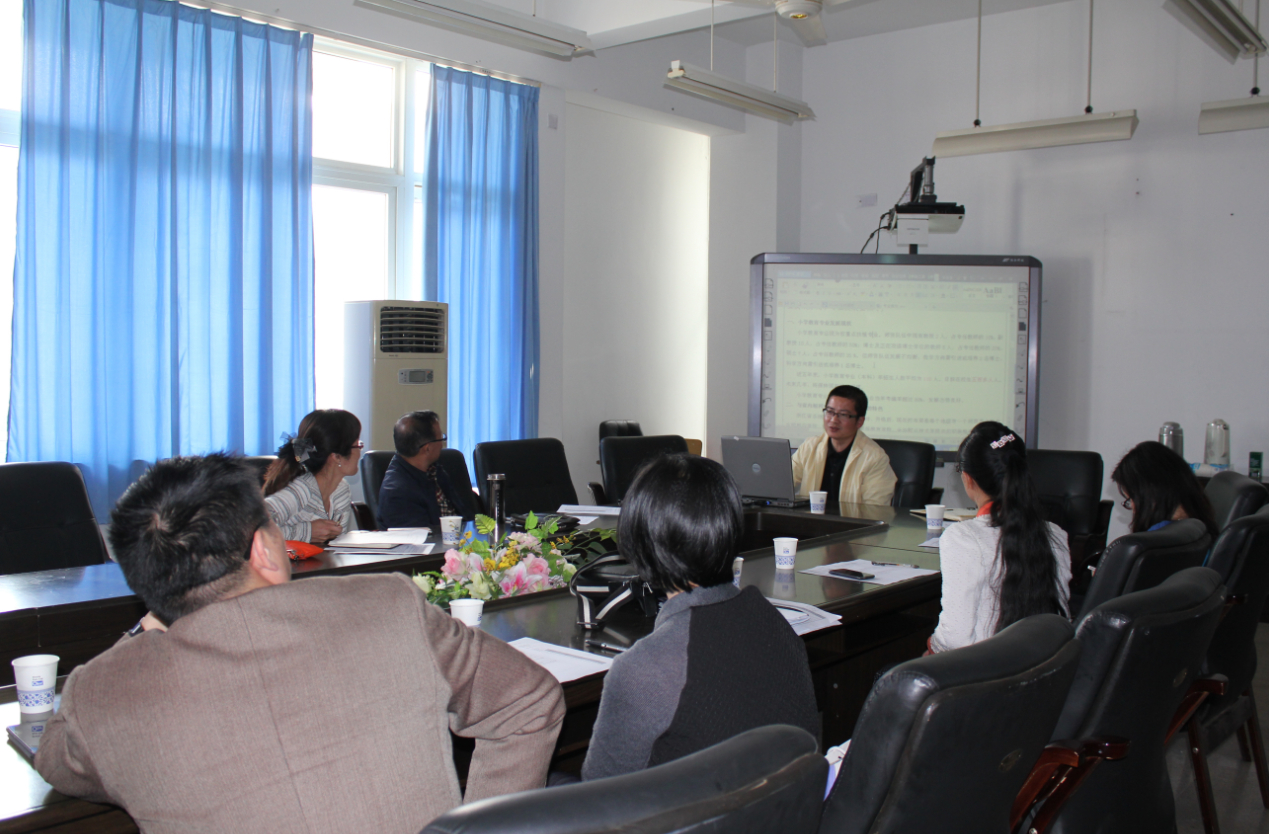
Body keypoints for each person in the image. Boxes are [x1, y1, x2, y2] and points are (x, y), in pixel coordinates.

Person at [34, 454, 565, 834]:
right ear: (265, 549)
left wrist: (145, 627)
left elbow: (56, 761)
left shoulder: (102, 691)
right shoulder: (387, 606)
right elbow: (527, 700)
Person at [581, 454, 819, 781]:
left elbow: (599, 798)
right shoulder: (775, 624)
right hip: (781, 806)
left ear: (641, 541)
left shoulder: (645, 668)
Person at [928, 422, 1071, 653]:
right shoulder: (1055, 533)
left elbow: (954, 639)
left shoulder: (963, 538)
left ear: (967, 478)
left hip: (984, 670)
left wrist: (931, 645)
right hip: (1046, 665)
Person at [264, 408, 361, 545]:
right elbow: (252, 528)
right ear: (336, 457)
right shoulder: (301, 489)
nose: (360, 452)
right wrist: (307, 532)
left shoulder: (341, 490)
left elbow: (336, 546)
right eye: (357, 445)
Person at [791, 385, 897, 507]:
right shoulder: (809, 447)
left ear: (860, 421)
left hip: (853, 520)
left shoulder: (875, 458)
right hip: (810, 518)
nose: (833, 420)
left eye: (843, 414)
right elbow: (783, 484)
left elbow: (875, 509)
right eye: (830, 412)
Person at [377, 411, 473, 530]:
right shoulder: (397, 493)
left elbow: (465, 515)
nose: (442, 444)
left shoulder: (435, 470)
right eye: (441, 438)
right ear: (427, 448)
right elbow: (422, 537)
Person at [1111, 441, 1220, 537]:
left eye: (1131, 499)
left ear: (1149, 496)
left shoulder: (1155, 540)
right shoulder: (1199, 527)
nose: (1133, 508)